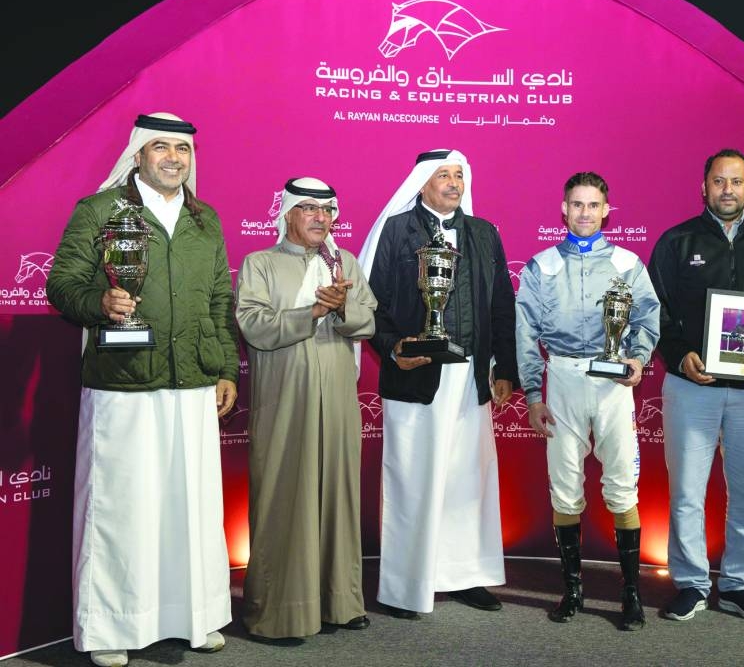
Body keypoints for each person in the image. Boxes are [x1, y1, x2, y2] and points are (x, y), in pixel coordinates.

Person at [46, 112, 238, 667]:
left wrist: (225, 367)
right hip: (123, 382)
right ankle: (109, 627)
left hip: (194, 381)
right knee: (120, 507)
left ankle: (192, 616)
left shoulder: (206, 221)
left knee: (190, 506)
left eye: (183, 149)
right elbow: (63, 284)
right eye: (161, 147)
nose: (174, 158)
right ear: (138, 154)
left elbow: (219, 302)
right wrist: (100, 304)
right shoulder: (100, 210)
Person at [358, 149, 518, 619]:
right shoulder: (396, 230)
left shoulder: (485, 234)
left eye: (458, 175)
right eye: (442, 175)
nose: (453, 183)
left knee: (468, 479)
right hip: (416, 376)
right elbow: (372, 305)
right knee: (414, 479)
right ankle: (409, 586)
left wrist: (504, 368)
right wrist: (395, 348)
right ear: (422, 182)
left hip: (469, 378)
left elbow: (502, 306)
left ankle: (464, 575)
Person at [647, 148, 744, 623]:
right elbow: (655, 310)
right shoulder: (676, 242)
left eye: (736, 182)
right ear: (704, 186)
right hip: (691, 388)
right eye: (718, 181)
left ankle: (738, 584)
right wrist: (678, 354)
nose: (727, 190)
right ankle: (692, 584)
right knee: (688, 494)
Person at [514, 172, 660, 630]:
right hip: (560, 376)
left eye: (593, 205)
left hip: (612, 381)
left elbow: (649, 317)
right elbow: (525, 336)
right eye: (576, 205)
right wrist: (534, 395)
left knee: (620, 485)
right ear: (563, 208)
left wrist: (637, 359)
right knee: (564, 485)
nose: (584, 213)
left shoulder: (627, 263)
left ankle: (631, 593)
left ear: (606, 210)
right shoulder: (540, 266)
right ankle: (572, 588)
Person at [235, 177, 378, 638]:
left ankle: (341, 600)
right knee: (285, 492)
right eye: (311, 209)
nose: (322, 218)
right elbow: (254, 325)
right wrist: (312, 313)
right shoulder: (260, 264)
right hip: (284, 399)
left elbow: (368, 320)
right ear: (289, 214)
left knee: (338, 489)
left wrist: (339, 310)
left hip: (336, 395)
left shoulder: (345, 262)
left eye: (328, 210)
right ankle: (282, 611)